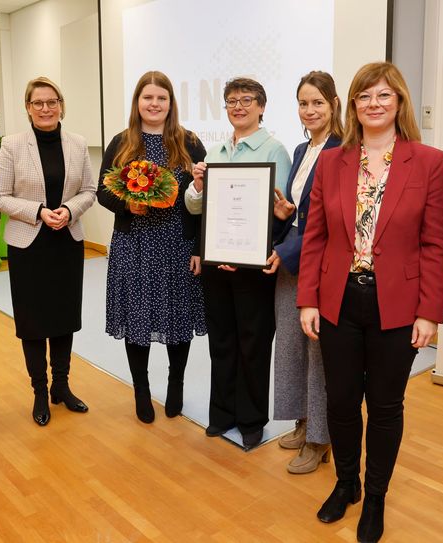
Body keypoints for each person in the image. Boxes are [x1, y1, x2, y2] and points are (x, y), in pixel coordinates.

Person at [297, 62, 443, 542]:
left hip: (397, 305)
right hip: (338, 300)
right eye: (364, 96)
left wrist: (429, 311)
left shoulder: (428, 161)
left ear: (399, 101)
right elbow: (315, 236)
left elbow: (433, 244)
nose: (374, 104)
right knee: (341, 402)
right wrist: (308, 301)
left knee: (385, 406)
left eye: (384, 95)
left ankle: (376, 498)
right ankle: (347, 483)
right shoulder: (331, 161)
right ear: (354, 105)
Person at [185, 77, 292, 450]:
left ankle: (250, 420)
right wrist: (197, 186)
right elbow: (196, 207)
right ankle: (222, 414)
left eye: (247, 100)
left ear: (262, 106)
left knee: (253, 343)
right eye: (232, 100)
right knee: (222, 340)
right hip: (218, 266)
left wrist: (243, 254)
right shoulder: (214, 153)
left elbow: (281, 212)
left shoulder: (274, 150)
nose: (239, 106)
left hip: (252, 266)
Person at [97, 71, 207, 423]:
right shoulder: (121, 142)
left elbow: (206, 197)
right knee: (138, 319)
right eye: (148, 98)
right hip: (135, 243)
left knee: (177, 317)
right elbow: (103, 192)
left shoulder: (189, 143)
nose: (154, 104)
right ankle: (141, 391)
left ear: (171, 104)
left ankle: (177, 383)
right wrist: (127, 204)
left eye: (162, 98)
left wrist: (199, 248)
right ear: (138, 102)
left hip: (178, 243)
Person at [0, 76, 96, 426]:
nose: (46, 108)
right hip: (29, 244)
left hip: (66, 242)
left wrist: (69, 210)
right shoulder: (13, 145)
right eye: (38, 103)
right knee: (34, 323)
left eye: (52, 102)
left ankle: (61, 387)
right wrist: (38, 211)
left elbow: (90, 190)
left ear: (61, 105)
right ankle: (39, 391)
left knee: (64, 319)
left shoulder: (78, 144)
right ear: (28, 108)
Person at [266, 71, 342, 474]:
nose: (309, 110)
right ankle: (302, 420)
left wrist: (285, 249)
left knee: (318, 352)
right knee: (291, 346)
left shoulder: (342, 150)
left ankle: (320, 438)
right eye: (303, 103)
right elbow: (302, 212)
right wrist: (285, 214)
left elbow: (329, 220)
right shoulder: (300, 149)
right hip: (293, 258)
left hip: (321, 263)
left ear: (333, 104)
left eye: (317, 103)